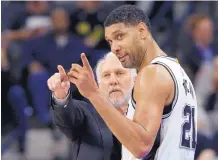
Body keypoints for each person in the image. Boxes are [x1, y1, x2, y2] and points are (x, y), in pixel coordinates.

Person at [67, 5, 198, 160]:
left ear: (142, 31)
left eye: (120, 36)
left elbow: (140, 146)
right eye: (110, 41)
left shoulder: (152, 73)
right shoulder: (179, 73)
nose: (114, 48)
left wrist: (93, 93)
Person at [48, 52, 136, 160]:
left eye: (119, 73)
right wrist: (61, 94)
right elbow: (66, 115)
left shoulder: (150, 117)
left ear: (135, 80)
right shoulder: (86, 114)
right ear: (98, 85)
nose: (113, 81)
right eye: (106, 75)